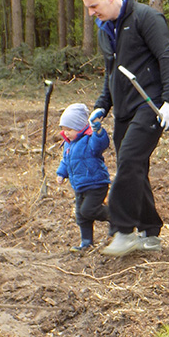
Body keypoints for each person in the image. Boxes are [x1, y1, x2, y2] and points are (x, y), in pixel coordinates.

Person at [80, 0, 169, 257]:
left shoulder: (146, 18)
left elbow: (167, 56)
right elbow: (111, 72)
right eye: (88, 8)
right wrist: (103, 104)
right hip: (124, 109)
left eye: (94, 6)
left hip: (151, 104)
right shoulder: (104, 30)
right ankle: (150, 229)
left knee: (129, 161)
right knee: (135, 168)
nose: (91, 13)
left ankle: (122, 230)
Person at [55, 103, 110, 253]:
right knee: (81, 215)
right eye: (64, 130)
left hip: (96, 183)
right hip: (79, 185)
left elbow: (101, 144)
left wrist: (98, 131)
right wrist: (61, 173)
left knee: (88, 210)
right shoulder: (69, 144)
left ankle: (115, 215)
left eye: (69, 130)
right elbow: (66, 161)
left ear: (80, 127)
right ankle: (86, 242)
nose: (66, 133)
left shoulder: (89, 139)